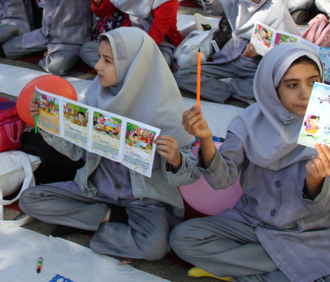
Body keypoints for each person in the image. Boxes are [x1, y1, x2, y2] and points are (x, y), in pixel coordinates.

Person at [170, 43, 330, 282]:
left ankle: (245, 271)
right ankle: (293, 268)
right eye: (292, 85)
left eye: (314, 82)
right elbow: (222, 180)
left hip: (307, 234)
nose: (306, 94)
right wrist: (206, 139)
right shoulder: (248, 123)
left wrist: (315, 180)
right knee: (184, 238)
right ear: (272, 88)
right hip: (252, 224)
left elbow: (324, 209)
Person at [19, 27, 199, 260]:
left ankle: (91, 223)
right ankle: (112, 219)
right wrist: (47, 122)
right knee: (31, 200)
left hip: (144, 201)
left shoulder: (166, 112)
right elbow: (76, 152)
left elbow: (190, 175)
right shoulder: (96, 98)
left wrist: (175, 159)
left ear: (133, 67)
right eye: (99, 58)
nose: (97, 66)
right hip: (96, 190)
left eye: (107, 61)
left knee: (154, 245)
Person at [174, 0, 299, 104]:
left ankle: (234, 89)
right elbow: (213, 9)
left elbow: (289, 49)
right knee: (183, 75)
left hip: (255, 68)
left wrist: (262, 50)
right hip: (229, 58)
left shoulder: (277, 11)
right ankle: (233, 92)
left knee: (275, 87)